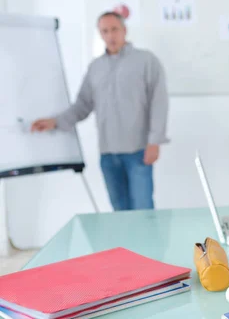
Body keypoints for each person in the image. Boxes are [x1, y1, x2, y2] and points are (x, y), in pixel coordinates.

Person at [31, 12, 169, 211]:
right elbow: (83, 105)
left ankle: (149, 244)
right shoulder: (95, 68)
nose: (111, 35)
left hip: (138, 151)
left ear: (124, 30)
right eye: (105, 31)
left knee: (143, 209)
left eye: (115, 29)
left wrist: (154, 141)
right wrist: (55, 122)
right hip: (108, 154)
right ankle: (125, 244)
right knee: (119, 211)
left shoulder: (146, 61)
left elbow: (159, 103)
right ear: (100, 34)